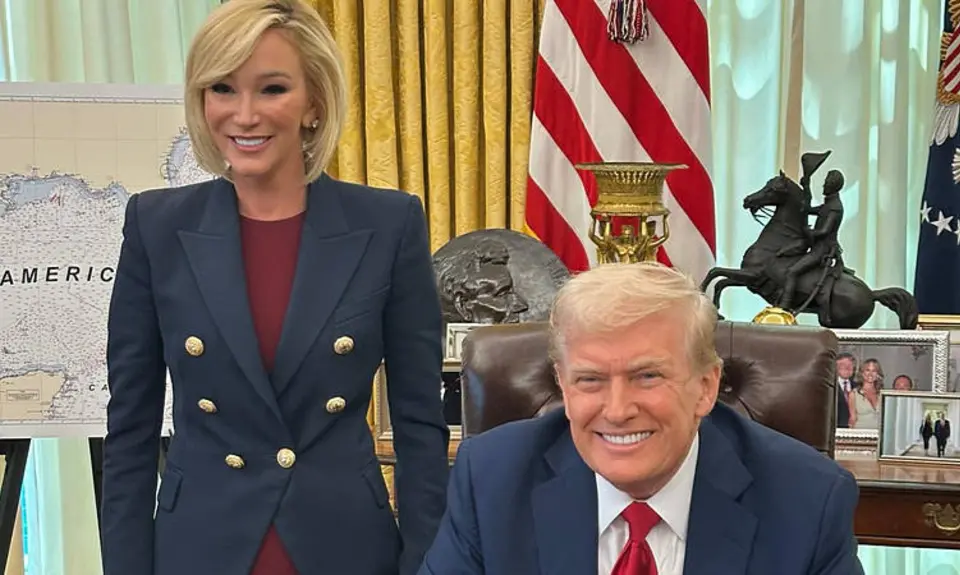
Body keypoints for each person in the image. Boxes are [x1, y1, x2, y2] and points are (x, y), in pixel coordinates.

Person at [100, 2, 449, 574]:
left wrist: (427, 565)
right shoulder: (156, 226)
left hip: (345, 547)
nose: (243, 115)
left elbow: (418, 426)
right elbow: (131, 430)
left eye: (272, 89)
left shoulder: (389, 225)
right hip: (201, 547)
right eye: (222, 89)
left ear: (314, 101)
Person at [418, 262, 863, 575]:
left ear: (706, 387)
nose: (617, 410)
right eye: (590, 380)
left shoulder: (807, 501)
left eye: (647, 376)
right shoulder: (492, 479)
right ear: (563, 385)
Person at [778, 169, 847, 312]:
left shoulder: (835, 207)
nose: (824, 186)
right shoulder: (828, 204)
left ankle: (784, 307)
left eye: (826, 183)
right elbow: (807, 209)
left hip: (821, 250)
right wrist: (807, 186)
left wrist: (809, 232)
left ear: (833, 185)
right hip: (816, 246)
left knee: (792, 272)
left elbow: (824, 231)